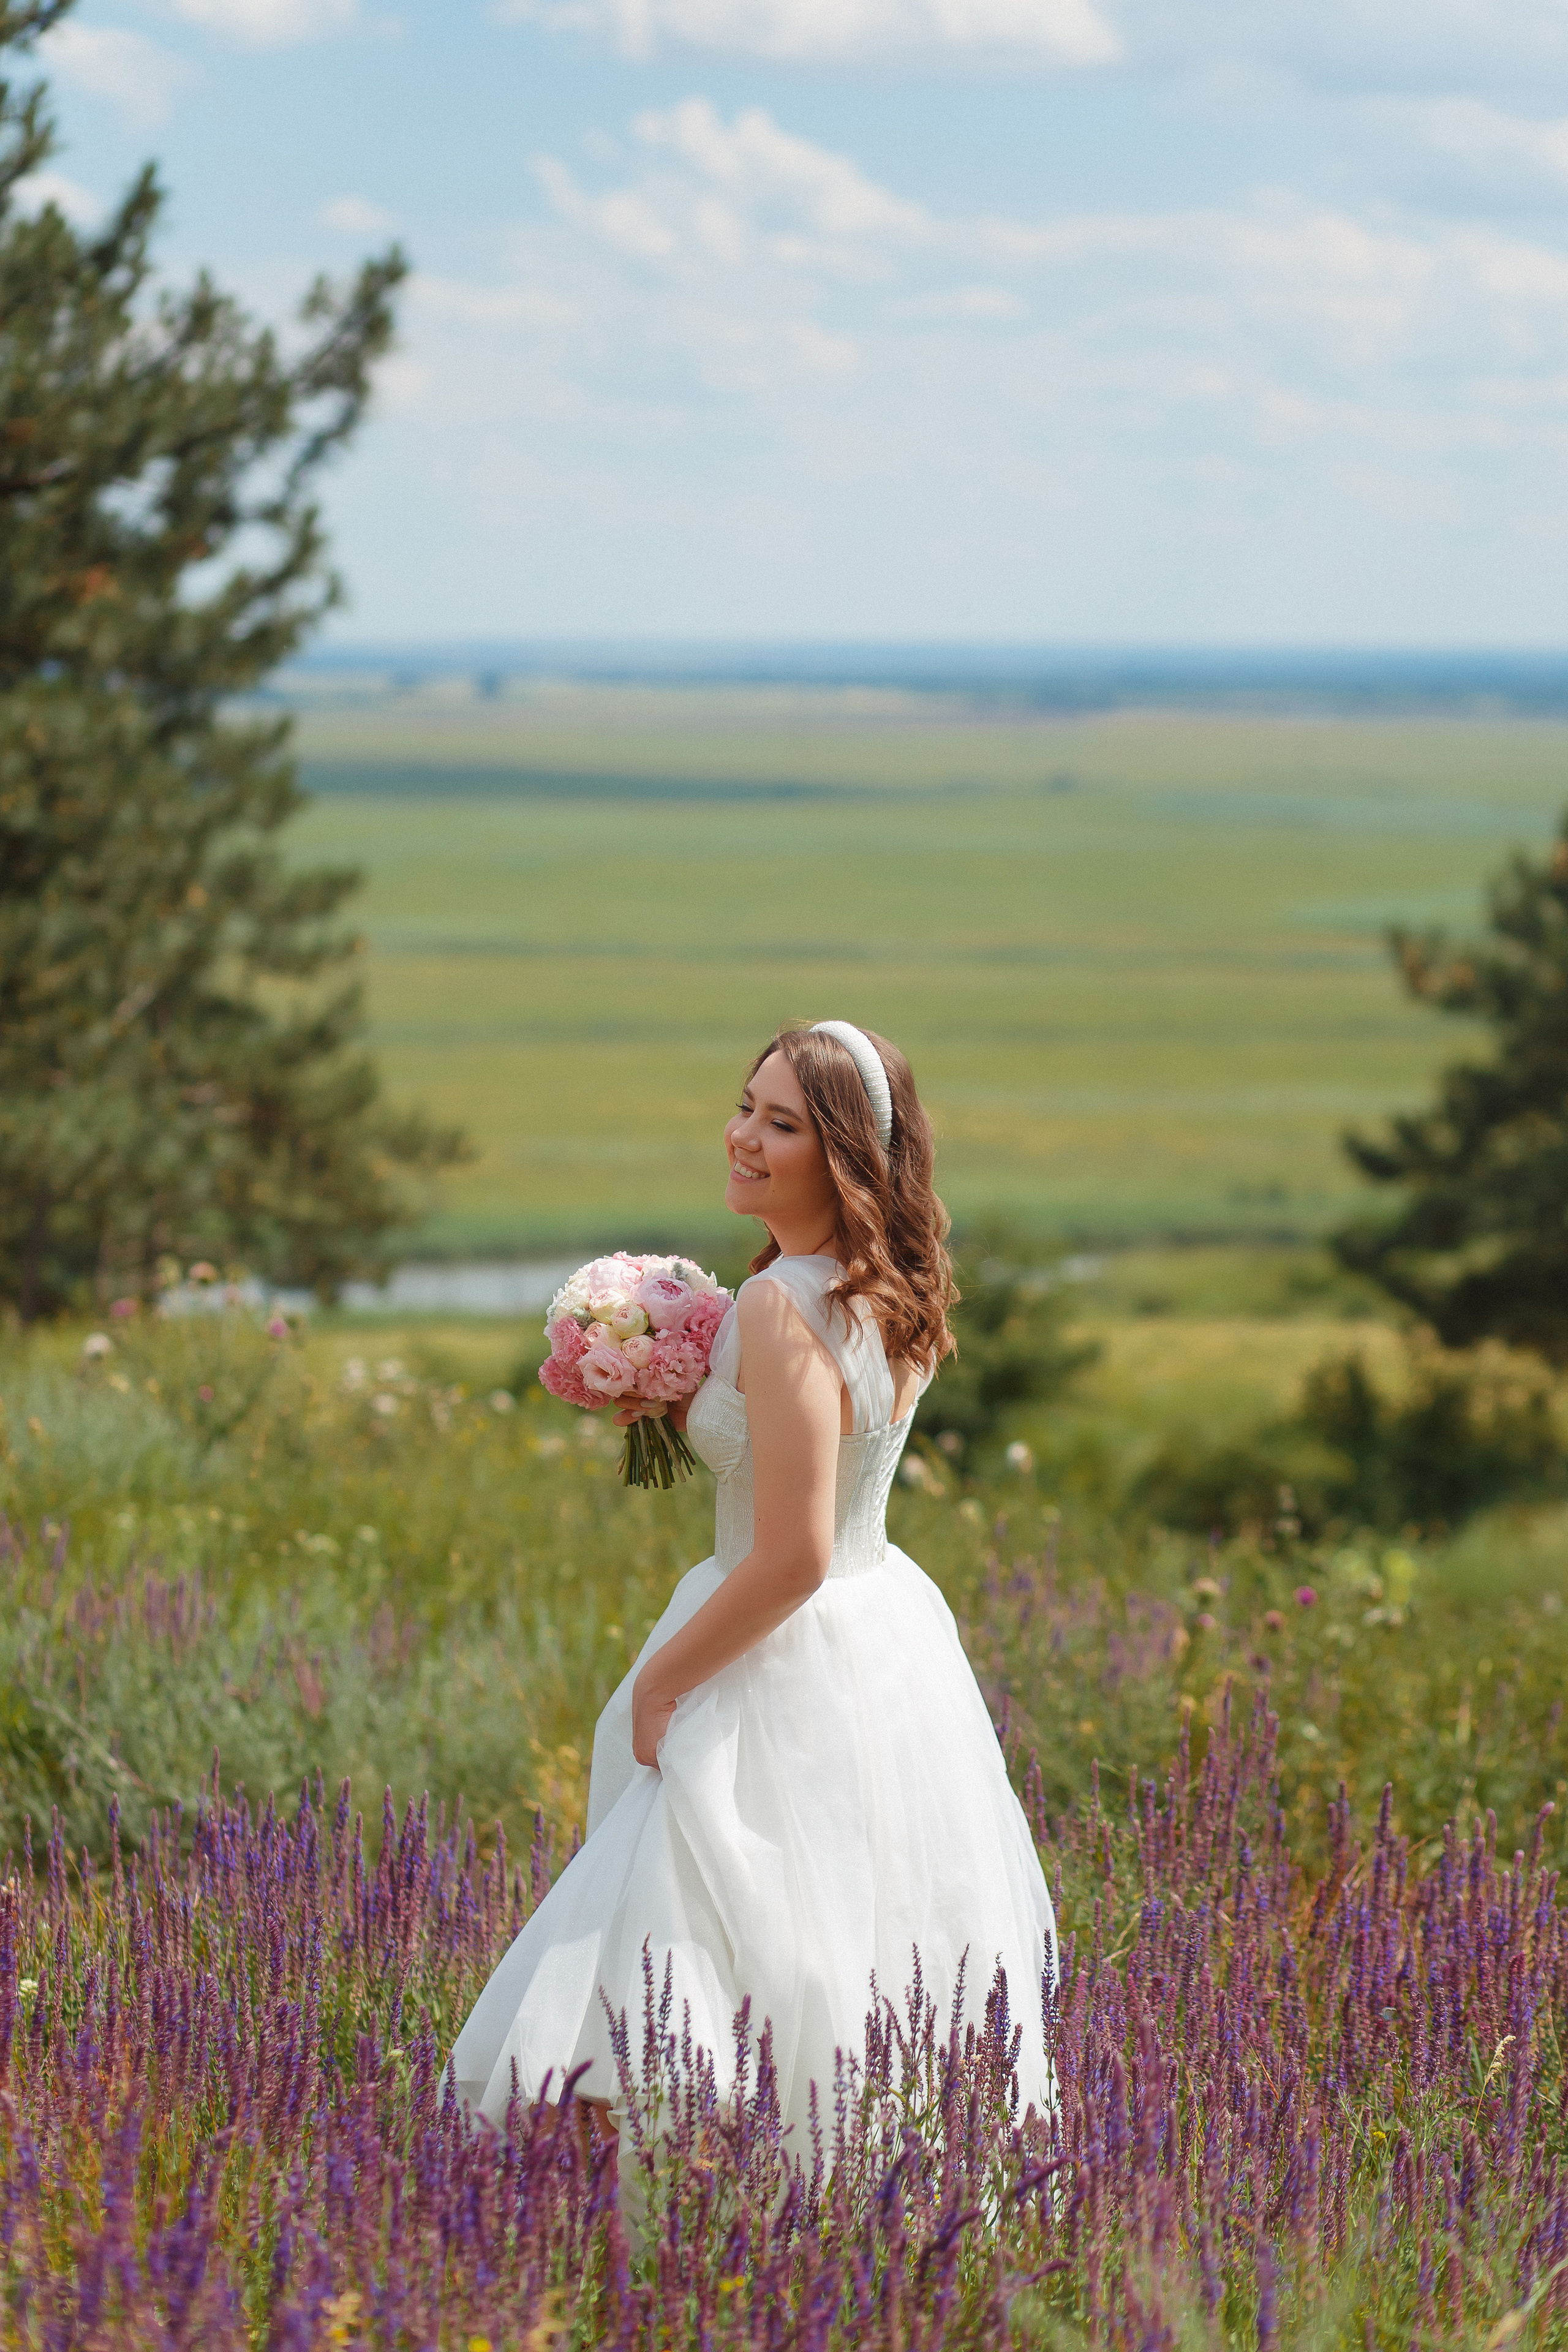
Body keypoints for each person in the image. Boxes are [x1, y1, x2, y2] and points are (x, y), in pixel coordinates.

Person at [448, 1020, 1057, 2162]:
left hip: (768, 1650)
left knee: (656, 1965)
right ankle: (818, 2200)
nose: (743, 1137)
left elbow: (793, 1553)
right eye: (746, 1107)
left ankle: (647, 2216)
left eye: (782, 1124)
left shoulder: (783, 1305)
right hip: (883, 1638)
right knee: (841, 1944)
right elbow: (820, 1450)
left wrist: (661, 1684)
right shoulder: (881, 1291)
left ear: (844, 1158)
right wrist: (680, 1394)